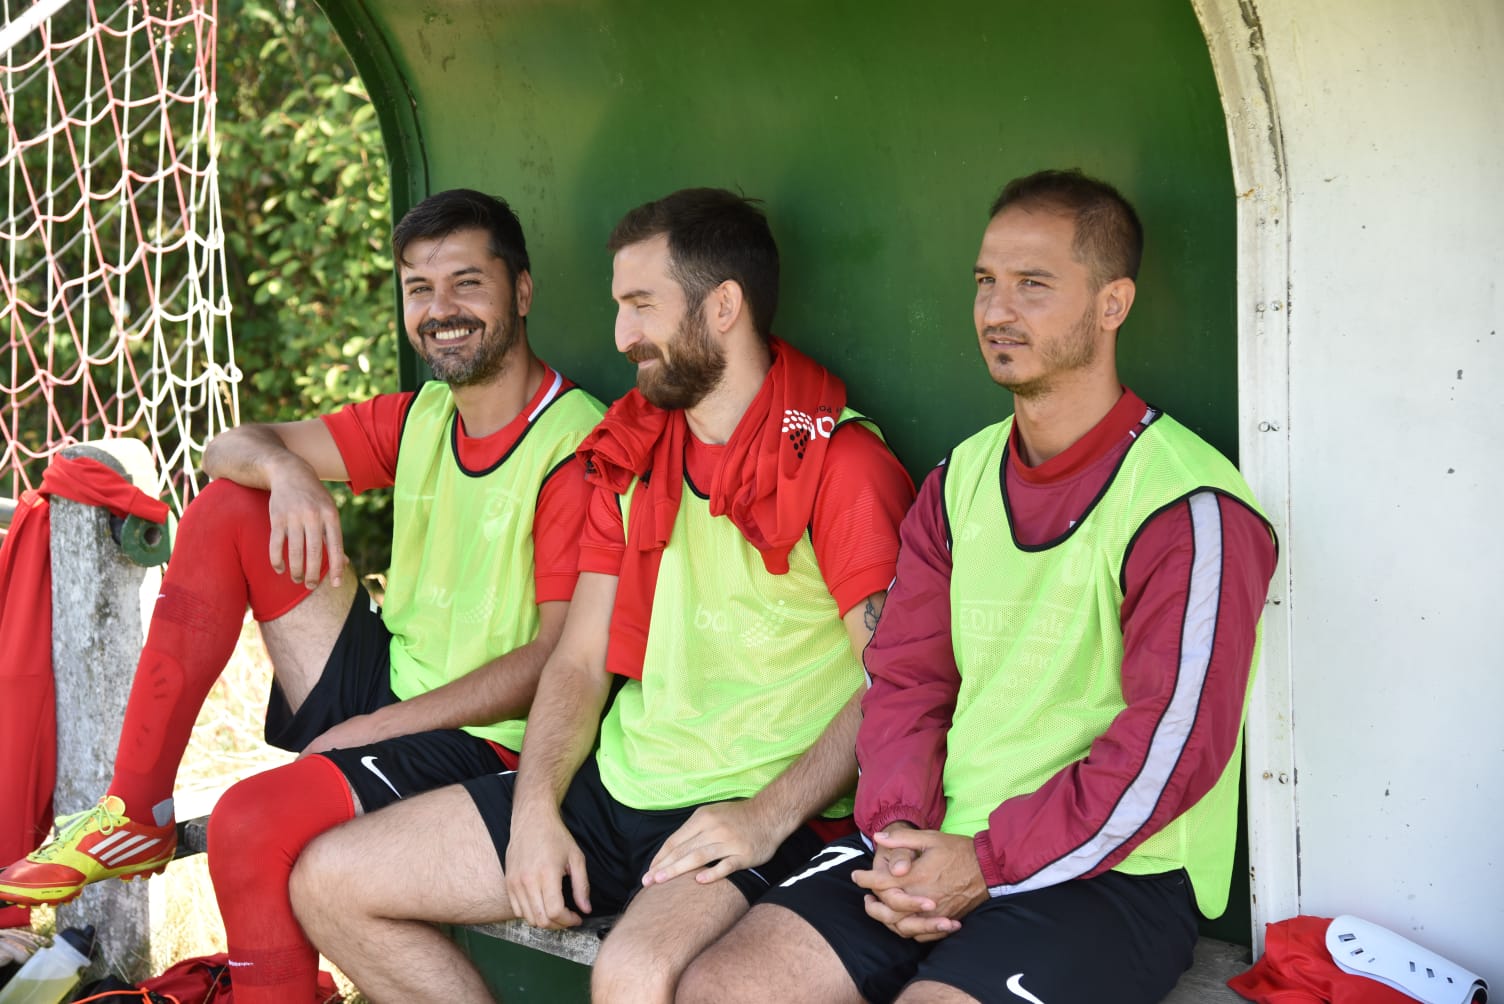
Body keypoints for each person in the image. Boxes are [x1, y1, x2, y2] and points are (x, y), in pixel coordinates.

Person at [288, 187, 917, 1003]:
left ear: (723, 306)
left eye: (642, 306)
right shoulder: (633, 448)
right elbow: (580, 662)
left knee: (632, 975)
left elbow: (894, 682)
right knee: (329, 881)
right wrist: (536, 810)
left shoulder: (843, 465)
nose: (623, 336)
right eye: (620, 307)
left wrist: (766, 816)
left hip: (747, 809)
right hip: (615, 782)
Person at [678, 169, 1280, 1004]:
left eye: (1033, 285)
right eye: (985, 282)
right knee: (721, 989)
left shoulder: (1189, 505)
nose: (997, 310)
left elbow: (1169, 754)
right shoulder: (959, 480)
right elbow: (905, 677)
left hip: (1111, 874)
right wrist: (897, 827)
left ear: (1113, 304)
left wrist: (987, 862)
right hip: (938, 834)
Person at [0, 190, 606, 1003]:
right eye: (419, 289)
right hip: (395, 678)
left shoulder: (574, 445)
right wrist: (285, 470)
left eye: (467, 283)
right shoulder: (423, 414)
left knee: (250, 823)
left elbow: (556, 660)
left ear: (521, 292)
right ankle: (136, 809)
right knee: (231, 506)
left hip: (490, 738)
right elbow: (227, 448)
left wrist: (375, 728)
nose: (441, 310)